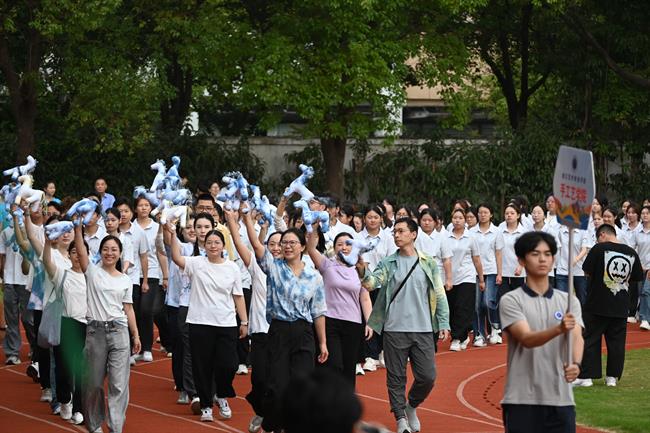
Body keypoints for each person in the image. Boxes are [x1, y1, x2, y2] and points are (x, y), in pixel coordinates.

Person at [361, 217, 450, 433]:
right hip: (394, 328)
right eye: (395, 232)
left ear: (413, 234)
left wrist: (443, 322)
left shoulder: (428, 262)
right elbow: (371, 283)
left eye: (401, 231)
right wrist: (361, 269)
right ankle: (400, 418)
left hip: (423, 328)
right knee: (396, 377)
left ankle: (411, 406)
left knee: (427, 377)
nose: (397, 235)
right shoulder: (388, 263)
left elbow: (439, 293)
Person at [499, 231, 584, 433]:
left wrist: (576, 363)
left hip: (561, 399)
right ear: (522, 260)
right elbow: (526, 339)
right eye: (535, 254)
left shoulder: (569, 301)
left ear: (554, 259)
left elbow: (577, 337)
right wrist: (558, 329)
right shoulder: (511, 300)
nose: (543, 259)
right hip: (522, 400)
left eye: (548, 254)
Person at [248, 224, 328, 433]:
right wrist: (247, 219)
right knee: (278, 386)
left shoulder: (314, 276)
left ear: (302, 246)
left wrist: (323, 342)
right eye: (284, 243)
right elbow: (256, 246)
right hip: (279, 331)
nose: (287, 246)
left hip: (304, 333)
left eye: (292, 243)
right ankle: (272, 423)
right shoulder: (273, 267)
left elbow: (318, 311)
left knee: (302, 386)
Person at [167, 222, 248, 423]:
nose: (213, 246)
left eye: (217, 242)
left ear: (223, 245)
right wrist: (172, 233)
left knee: (229, 364)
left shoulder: (232, 267)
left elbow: (238, 296)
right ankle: (206, 406)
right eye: (209, 242)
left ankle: (221, 394)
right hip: (199, 322)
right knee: (202, 366)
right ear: (204, 245)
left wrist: (244, 321)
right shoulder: (196, 263)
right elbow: (176, 257)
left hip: (226, 323)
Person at [74, 221, 140, 433]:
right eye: (105, 249)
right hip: (96, 333)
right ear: (100, 252)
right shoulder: (92, 272)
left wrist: (136, 335)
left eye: (114, 250)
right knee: (93, 383)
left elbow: (128, 308)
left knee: (118, 385)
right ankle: (94, 424)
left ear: (120, 254)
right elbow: (81, 253)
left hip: (119, 332)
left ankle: (115, 427)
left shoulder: (125, 280)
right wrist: (77, 229)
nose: (109, 253)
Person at [226, 207, 279, 433]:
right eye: (271, 244)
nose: (276, 248)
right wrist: (233, 220)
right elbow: (240, 244)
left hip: (283, 334)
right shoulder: (258, 267)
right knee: (259, 380)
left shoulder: (295, 270)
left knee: (277, 382)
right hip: (260, 333)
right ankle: (261, 411)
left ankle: (274, 420)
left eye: (280, 244)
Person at [573, 224, 643, 387]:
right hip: (620, 305)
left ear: (602, 234)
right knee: (616, 342)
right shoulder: (631, 253)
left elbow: (587, 271)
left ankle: (587, 377)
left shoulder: (598, 249)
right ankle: (612, 377)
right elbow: (635, 277)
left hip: (597, 303)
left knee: (590, 339)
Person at [306, 229, 373, 385]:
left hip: (353, 323)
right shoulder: (327, 265)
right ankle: (329, 396)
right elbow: (311, 249)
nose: (344, 247)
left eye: (348, 244)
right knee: (334, 364)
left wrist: (369, 322)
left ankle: (346, 399)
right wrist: (315, 227)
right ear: (334, 248)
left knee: (349, 367)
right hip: (330, 321)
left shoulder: (359, 269)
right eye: (340, 244)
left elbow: (365, 298)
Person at [43, 231, 87, 425]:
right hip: (66, 324)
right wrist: (47, 243)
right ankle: (64, 399)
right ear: (69, 255)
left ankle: (78, 408)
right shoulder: (63, 274)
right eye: (74, 252)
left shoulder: (92, 276)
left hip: (86, 325)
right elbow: (47, 262)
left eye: (81, 252)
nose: (77, 256)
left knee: (81, 369)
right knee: (63, 368)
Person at [446, 209, 484, 351]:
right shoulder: (445, 236)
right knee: (452, 307)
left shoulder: (471, 237)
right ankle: (463, 336)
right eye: (455, 217)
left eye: (460, 218)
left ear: (465, 220)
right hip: (450, 277)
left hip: (467, 276)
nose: (457, 220)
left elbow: (477, 259)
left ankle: (456, 338)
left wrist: (481, 279)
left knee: (463, 306)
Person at [470, 203, 503, 347]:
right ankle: (479, 334)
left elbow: (498, 253)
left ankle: (495, 328)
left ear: (491, 215)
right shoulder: (471, 231)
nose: (482, 215)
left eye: (485, 212)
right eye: (480, 212)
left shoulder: (496, 232)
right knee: (476, 305)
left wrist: (500, 273)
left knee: (488, 302)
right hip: (474, 272)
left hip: (491, 270)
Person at [632, 206, 650, 330]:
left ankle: (645, 319)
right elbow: (633, 249)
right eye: (643, 213)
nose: (645, 215)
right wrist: (638, 265)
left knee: (645, 291)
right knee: (641, 292)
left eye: (647, 213)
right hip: (640, 267)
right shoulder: (637, 232)